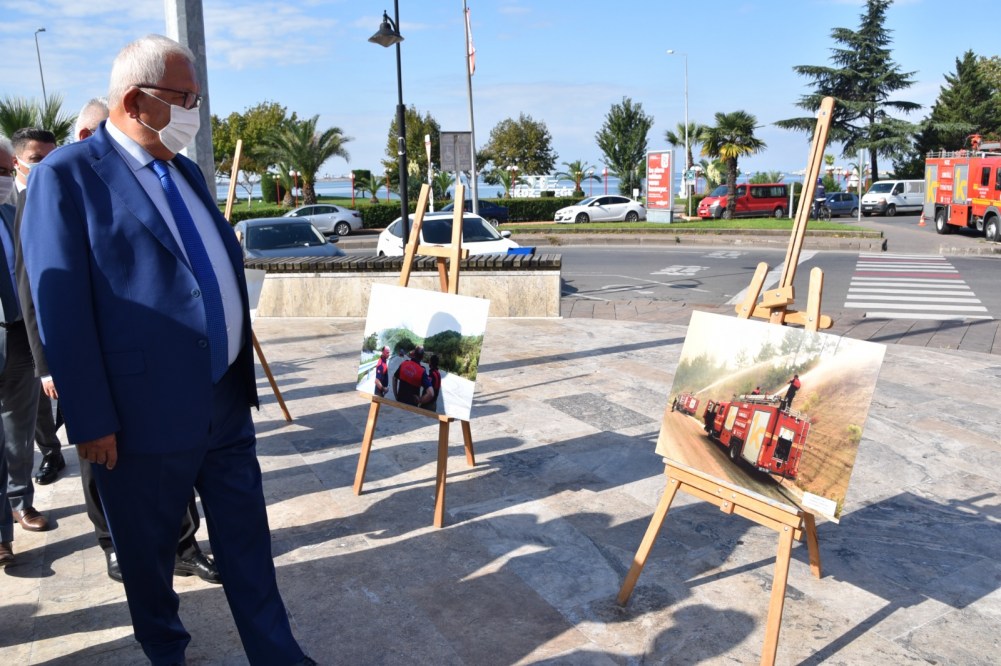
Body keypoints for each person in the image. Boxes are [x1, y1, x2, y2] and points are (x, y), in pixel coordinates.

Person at [21, 35, 311, 665]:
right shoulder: (65, 177)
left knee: (247, 543)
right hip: (137, 416)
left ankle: (278, 654)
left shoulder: (184, 171)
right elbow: (60, 309)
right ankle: (166, 652)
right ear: (136, 101)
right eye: (186, 99)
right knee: (148, 558)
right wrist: (90, 418)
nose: (195, 113)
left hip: (223, 401)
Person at [15, 98, 219, 583]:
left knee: (170, 456)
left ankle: (183, 543)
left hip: (150, 366)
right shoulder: (46, 191)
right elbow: (36, 293)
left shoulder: (150, 179)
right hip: (86, 363)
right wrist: (48, 367)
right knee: (99, 461)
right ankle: (112, 542)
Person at [10, 128, 65, 487]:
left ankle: (50, 451)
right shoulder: (10, 201)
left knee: (45, 397)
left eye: (52, 157)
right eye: (36, 160)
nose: (46, 166)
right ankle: (48, 451)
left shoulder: (57, 197)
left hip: (41, 321)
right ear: (17, 162)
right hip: (11, 323)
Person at [1, 131, 48, 534]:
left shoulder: (16, 209)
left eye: (5, 171)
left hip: (19, 336)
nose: (3, 179)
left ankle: (20, 501)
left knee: (19, 429)